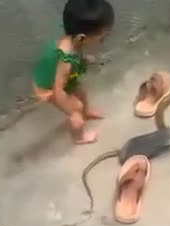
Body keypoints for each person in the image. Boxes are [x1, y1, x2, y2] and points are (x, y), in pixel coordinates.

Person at [32, 0, 114, 144]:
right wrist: (72, 112)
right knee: (77, 107)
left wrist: (84, 60)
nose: (103, 39)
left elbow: (72, 60)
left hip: (60, 78)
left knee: (82, 92)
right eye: (101, 37)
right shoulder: (66, 58)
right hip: (48, 87)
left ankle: (86, 112)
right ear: (82, 38)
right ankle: (79, 137)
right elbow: (59, 91)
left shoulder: (73, 40)